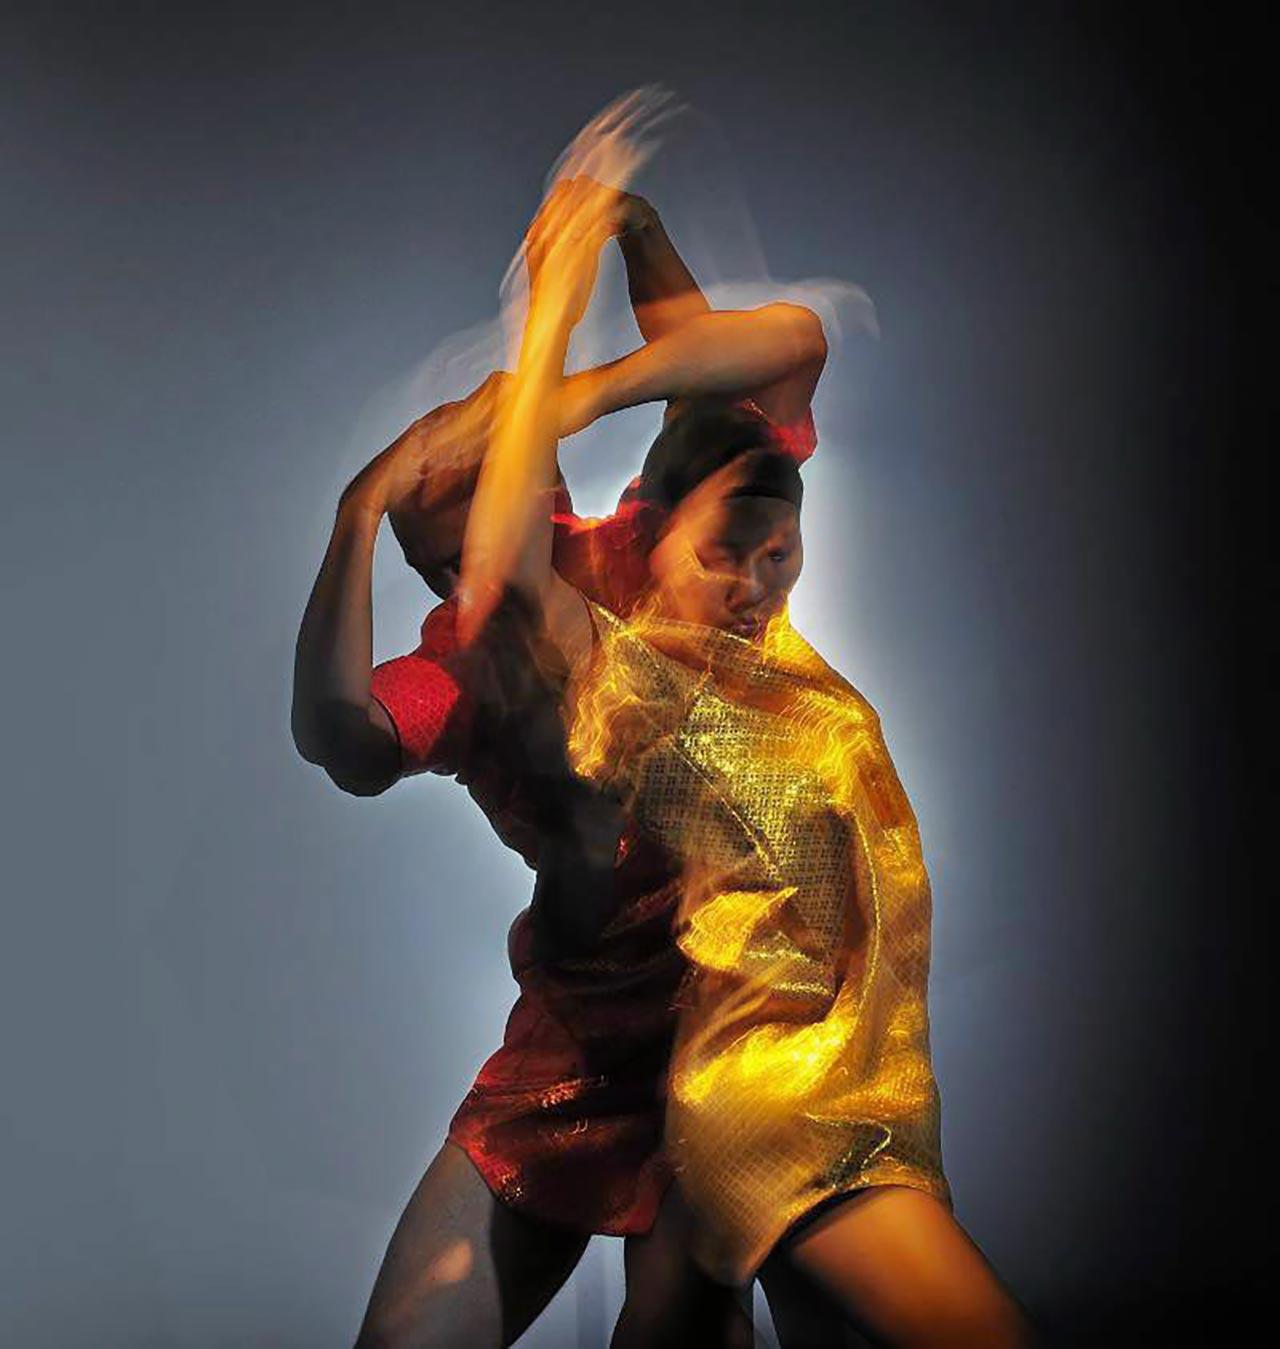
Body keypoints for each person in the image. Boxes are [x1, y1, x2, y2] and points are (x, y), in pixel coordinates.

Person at [453, 174, 1038, 1349]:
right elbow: (508, 566)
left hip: (878, 1100)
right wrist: (552, 322)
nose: (757, 580)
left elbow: (755, 359)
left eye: (780, 552)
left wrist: (638, 231)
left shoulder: (775, 653)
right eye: (726, 550)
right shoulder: (637, 682)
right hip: (783, 1106)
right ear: (651, 533)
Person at [292, 182, 830, 1347]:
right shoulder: (454, 668)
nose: (468, 587)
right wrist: (354, 513)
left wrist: (635, 235)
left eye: (482, 544)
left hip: (734, 1014)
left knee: (685, 1327)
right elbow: (341, 736)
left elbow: (743, 382)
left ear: (545, 503)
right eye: (438, 567)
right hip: (580, 1036)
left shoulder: (656, 552)